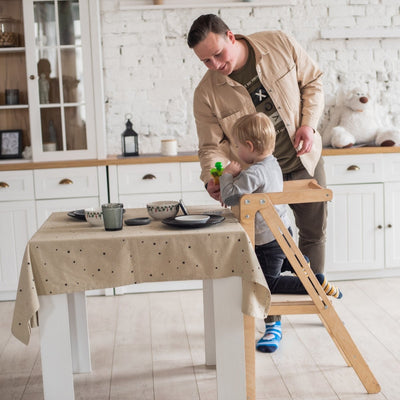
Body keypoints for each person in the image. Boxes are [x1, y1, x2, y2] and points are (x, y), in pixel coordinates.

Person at [187, 14, 327, 352]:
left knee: (312, 234)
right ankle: (273, 319)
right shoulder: (206, 93)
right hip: (257, 181)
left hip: (303, 162)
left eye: (218, 54)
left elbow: (313, 82)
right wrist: (215, 177)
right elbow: (211, 148)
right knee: (264, 249)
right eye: (205, 60)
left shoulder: (279, 43)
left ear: (231, 36)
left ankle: (313, 297)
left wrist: (308, 124)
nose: (214, 64)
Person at [220, 112, 342, 352]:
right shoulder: (272, 163)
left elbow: (230, 196)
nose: (235, 151)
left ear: (249, 146)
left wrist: (226, 174)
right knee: (282, 260)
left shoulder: (254, 172)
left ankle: (314, 282)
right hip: (281, 233)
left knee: (269, 284)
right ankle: (301, 263)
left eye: (236, 146)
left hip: (266, 241)